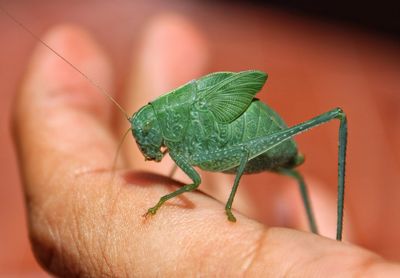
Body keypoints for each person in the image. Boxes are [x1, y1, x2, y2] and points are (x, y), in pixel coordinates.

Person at [12, 14, 400, 276]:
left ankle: (331, 243)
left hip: (257, 137)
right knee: (296, 182)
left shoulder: (185, 115)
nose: (145, 140)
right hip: (236, 139)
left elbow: (230, 159)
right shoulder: (172, 124)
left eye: (147, 129)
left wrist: (218, 206)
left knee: (335, 116)